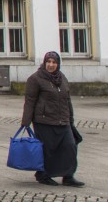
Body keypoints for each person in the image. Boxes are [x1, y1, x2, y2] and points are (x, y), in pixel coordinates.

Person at [22, 51, 85, 186]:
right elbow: (30, 100)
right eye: (48, 62)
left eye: (54, 62)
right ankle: (43, 175)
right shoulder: (35, 78)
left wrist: (70, 119)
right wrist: (26, 122)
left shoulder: (62, 78)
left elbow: (67, 100)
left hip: (63, 120)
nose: (51, 65)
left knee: (70, 146)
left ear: (58, 64)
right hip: (44, 120)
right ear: (44, 63)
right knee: (47, 149)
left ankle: (68, 176)